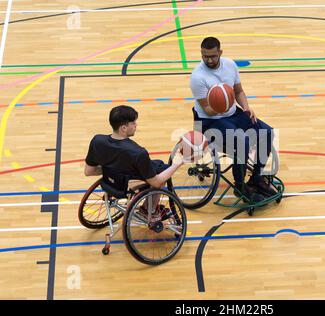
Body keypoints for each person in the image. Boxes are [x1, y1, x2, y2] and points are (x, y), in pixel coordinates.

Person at [189, 37, 276, 202]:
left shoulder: (230, 65)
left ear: (220, 52)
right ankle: (240, 186)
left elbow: (239, 92)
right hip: (210, 121)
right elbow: (207, 108)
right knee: (242, 141)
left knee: (267, 132)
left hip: (233, 114)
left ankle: (256, 178)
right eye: (205, 56)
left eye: (213, 56)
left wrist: (246, 107)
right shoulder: (197, 77)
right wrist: (222, 103)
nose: (209, 60)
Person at [84, 105, 184, 218]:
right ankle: (149, 210)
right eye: (133, 123)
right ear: (123, 128)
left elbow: (89, 171)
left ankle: (148, 206)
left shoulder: (97, 141)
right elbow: (156, 182)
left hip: (110, 182)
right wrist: (178, 163)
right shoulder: (138, 153)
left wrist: (111, 170)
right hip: (127, 185)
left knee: (158, 163)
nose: (136, 125)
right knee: (163, 171)